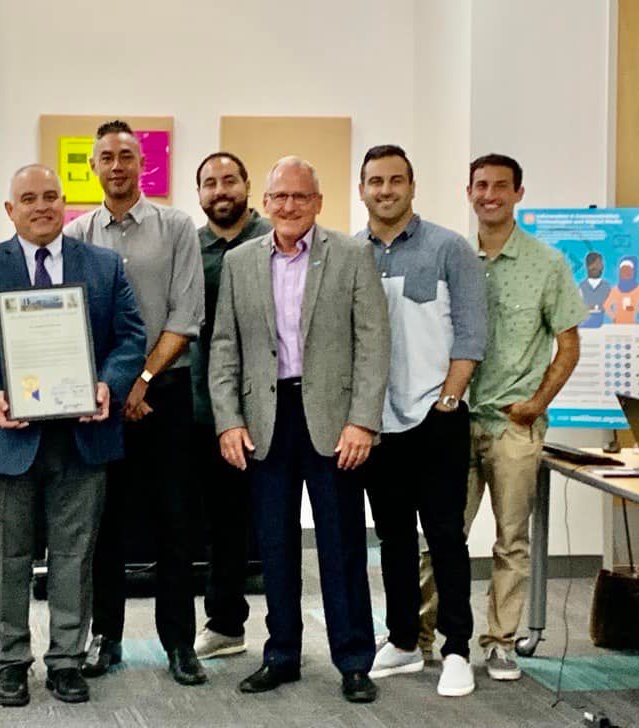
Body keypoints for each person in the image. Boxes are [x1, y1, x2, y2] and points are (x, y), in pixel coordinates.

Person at [0, 164, 146, 707]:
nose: (41, 206)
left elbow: (131, 337)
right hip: (6, 438)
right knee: (7, 556)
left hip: (83, 437)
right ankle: (11, 661)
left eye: (51, 196)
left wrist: (109, 384)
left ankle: (66, 661)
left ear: (64, 202)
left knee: (75, 555)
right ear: (10, 210)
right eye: (28, 198)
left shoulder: (103, 266)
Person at [209, 156, 387, 703]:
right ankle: (281, 654)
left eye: (300, 196)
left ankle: (353, 661)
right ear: (265, 203)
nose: (289, 206)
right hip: (265, 418)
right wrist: (228, 420)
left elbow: (373, 343)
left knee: (341, 544)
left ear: (318, 202)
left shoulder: (352, 255)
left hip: (333, 420)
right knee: (274, 544)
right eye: (280, 197)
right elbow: (224, 347)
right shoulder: (239, 262)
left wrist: (363, 420)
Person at [418, 155, 586, 681]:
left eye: (500, 186)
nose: (489, 195)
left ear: (518, 193)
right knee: (441, 534)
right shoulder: (452, 257)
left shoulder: (547, 264)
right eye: (481, 186)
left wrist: (537, 404)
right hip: (454, 418)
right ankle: (418, 635)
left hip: (513, 425)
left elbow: (568, 344)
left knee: (511, 540)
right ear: (468, 192)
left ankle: (500, 642)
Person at [65, 120, 207, 685]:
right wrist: (116, 386)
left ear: (142, 164)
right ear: (93, 167)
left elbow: (186, 316)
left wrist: (143, 379)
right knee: (104, 526)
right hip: (100, 399)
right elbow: (69, 319)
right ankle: (107, 637)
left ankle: (179, 643)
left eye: (127, 156)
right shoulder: (76, 234)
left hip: (164, 393)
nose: (117, 166)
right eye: (107, 157)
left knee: (175, 523)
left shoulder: (176, 227)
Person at [356, 144, 486, 697]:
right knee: (392, 539)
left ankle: (457, 649)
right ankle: (405, 640)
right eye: (375, 181)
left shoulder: (449, 248)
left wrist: (448, 400)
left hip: (438, 417)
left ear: (412, 186)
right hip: (377, 422)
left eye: (395, 181)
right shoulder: (350, 253)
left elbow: (472, 335)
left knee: (445, 537)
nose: (385, 190)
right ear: (362, 190)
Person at [189, 152, 272, 660]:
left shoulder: (274, 239)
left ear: (247, 184)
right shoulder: (190, 249)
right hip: (208, 408)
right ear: (199, 193)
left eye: (229, 181)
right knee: (222, 523)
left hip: (272, 406)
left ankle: (288, 633)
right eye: (209, 183)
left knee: (274, 525)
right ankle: (225, 625)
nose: (220, 191)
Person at [603, 256, 639, 324]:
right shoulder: (615, 290)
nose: (626, 273)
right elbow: (606, 305)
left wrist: (637, 309)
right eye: (623, 270)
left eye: (628, 270)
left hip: (633, 326)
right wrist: (613, 317)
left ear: (633, 272)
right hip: (618, 325)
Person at [578, 252, 610, 328]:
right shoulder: (581, 287)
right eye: (591, 264)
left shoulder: (607, 288)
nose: (594, 267)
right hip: (584, 329)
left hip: (604, 328)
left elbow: (612, 310)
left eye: (598, 264)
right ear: (587, 266)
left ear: (602, 266)